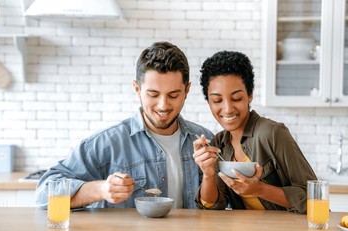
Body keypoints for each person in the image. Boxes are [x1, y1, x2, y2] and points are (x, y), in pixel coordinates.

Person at [35, 41, 213, 209]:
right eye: (153, 94)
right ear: (137, 89)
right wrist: (101, 189)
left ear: (187, 91)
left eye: (173, 95)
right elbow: (44, 193)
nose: (163, 105)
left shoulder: (205, 140)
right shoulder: (108, 143)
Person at [193, 51, 316, 214]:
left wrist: (260, 189)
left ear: (250, 95)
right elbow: (211, 206)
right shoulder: (219, 143)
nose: (228, 109)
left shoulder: (272, 133)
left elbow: (315, 198)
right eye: (217, 100)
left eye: (236, 98)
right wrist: (208, 174)